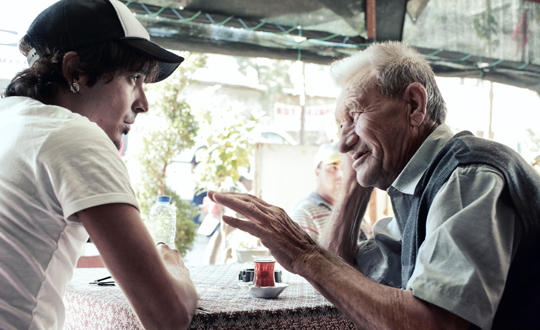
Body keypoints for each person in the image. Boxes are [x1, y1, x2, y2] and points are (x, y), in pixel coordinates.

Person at [207, 41, 540, 330]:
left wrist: (303, 253)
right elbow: (345, 275)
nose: (342, 144)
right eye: (340, 126)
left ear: (413, 105)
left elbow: (434, 325)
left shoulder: (467, 177)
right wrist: (355, 182)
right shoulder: (421, 186)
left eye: (353, 116)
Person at [0, 1, 198, 329]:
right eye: (133, 77)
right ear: (75, 71)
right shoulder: (75, 135)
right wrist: (173, 265)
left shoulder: (9, 120)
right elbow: (168, 315)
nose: (144, 103)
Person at [289, 142, 369, 242]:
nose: (340, 174)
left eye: (344, 168)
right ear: (318, 172)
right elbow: (301, 257)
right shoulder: (304, 214)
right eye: (333, 168)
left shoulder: (353, 210)